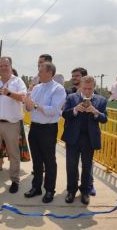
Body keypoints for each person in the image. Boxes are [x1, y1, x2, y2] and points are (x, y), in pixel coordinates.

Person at [0, 56, 27, 194]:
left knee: (14, 153)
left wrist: (9, 93)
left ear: (11, 66)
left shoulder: (18, 81)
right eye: (1, 66)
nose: (3, 68)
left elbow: (23, 97)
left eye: (6, 65)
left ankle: (14, 180)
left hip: (11, 124)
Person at [24, 61, 66, 203]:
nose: (38, 73)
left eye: (41, 70)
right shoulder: (36, 88)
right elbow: (29, 109)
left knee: (49, 161)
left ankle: (49, 190)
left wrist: (34, 105)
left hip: (48, 129)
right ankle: (36, 187)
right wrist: (28, 105)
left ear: (49, 72)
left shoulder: (58, 89)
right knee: (37, 160)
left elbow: (53, 110)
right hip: (34, 127)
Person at [62, 76, 108, 205]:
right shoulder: (71, 98)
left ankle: (85, 192)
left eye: (90, 88)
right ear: (80, 87)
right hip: (73, 137)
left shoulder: (101, 100)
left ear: (94, 87)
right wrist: (75, 109)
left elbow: (105, 119)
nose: (87, 91)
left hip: (89, 139)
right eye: (85, 88)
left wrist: (95, 112)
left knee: (87, 167)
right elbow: (65, 114)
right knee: (71, 166)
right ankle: (71, 191)